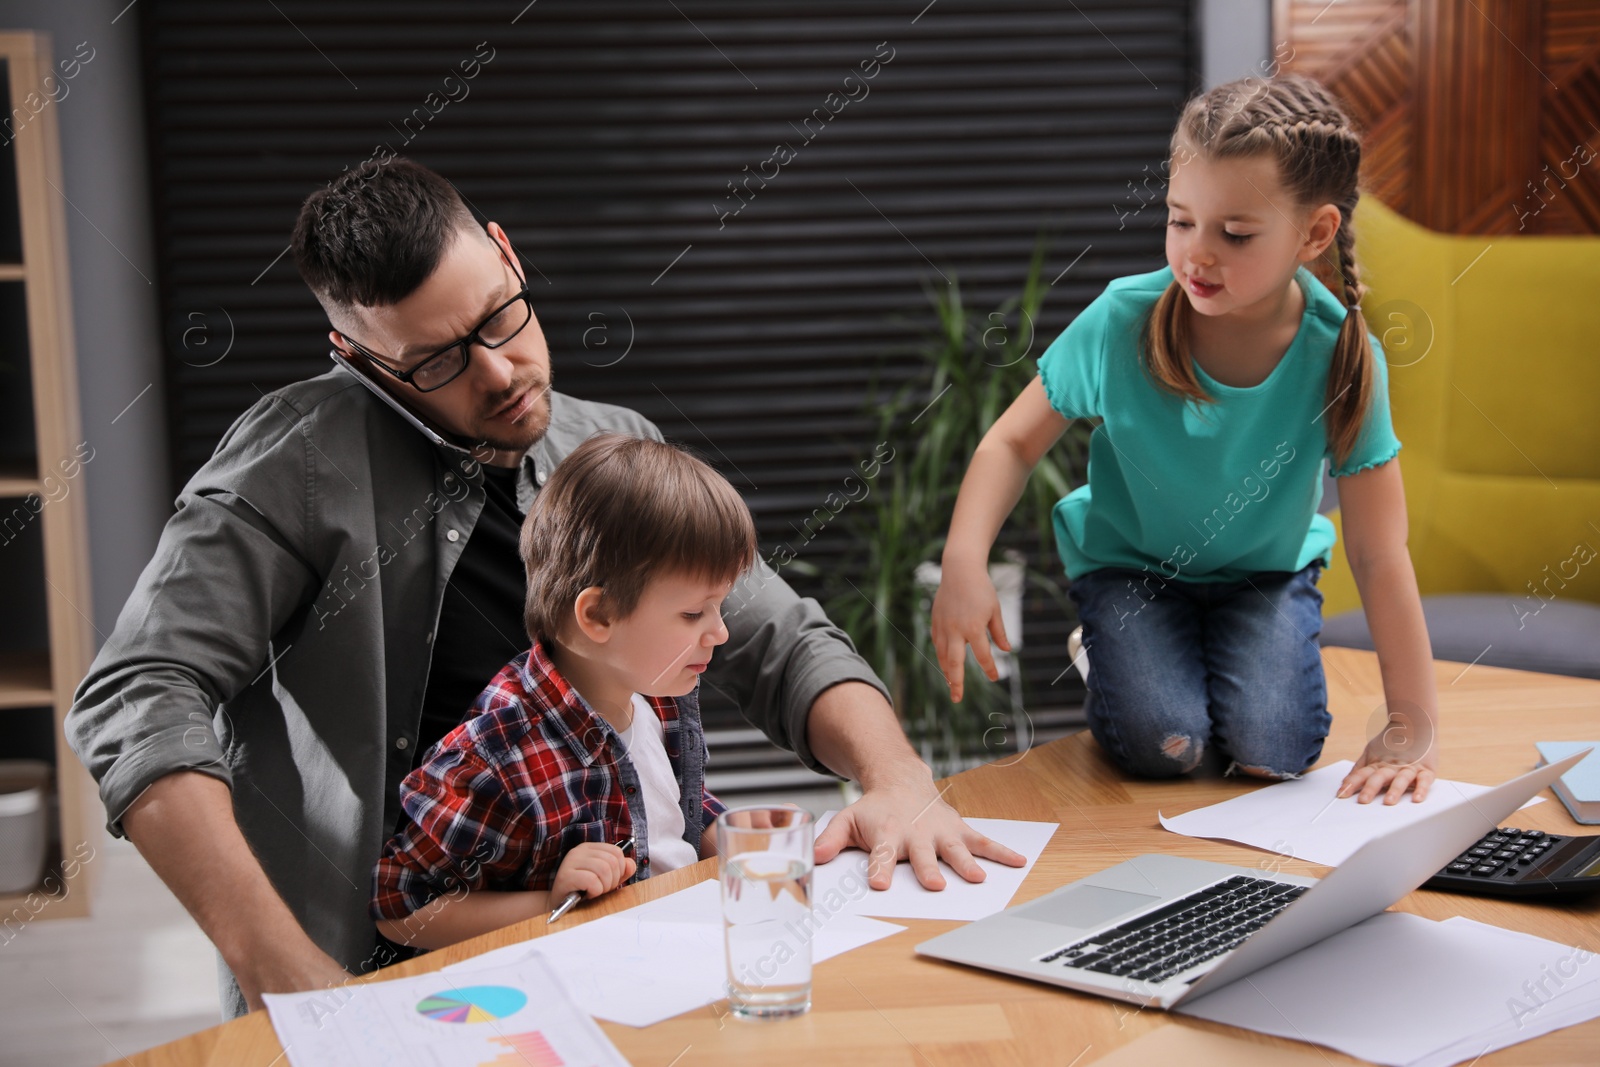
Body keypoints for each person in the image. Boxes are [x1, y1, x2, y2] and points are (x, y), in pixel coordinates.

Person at [67, 158, 1023, 1017]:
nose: (500, 373)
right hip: (378, 971)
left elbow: (774, 633)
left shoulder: (607, 443)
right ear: (358, 358)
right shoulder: (287, 467)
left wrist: (897, 779)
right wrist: (290, 977)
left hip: (615, 948)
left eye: (500, 316)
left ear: (507, 254)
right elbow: (136, 696)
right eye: (438, 360)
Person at [932, 75, 1437, 806]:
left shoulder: (1342, 355)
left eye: (1234, 234)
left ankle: (1202, 664)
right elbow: (1011, 442)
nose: (1197, 254)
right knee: (1165, 747)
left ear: (1315, 234)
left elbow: (1380, 550)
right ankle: (1110, 652)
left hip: (1262, 576)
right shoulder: (1122, 321)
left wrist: (1408, 727)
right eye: (1179, 221)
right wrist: (962, 559)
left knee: (1276, 752)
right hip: (1134, 569)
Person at [372, 433, 750, 949]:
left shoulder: (654, 690)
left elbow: (669, 806)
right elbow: (403, 911)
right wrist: (552, 900)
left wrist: (731, 839)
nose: (720, 632)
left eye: (719, 607)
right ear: (597, 615)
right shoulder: (497, 752)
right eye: (692, 614)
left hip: (682, 948)